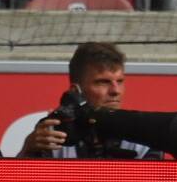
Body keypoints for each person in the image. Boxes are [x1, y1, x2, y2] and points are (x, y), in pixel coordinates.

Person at [18, 42, 163, 158]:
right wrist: (28, 150)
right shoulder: (53, 134)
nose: (116, 91)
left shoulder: (142, 136)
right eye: (103, 82)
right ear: (76, 90)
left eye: (120, 81)